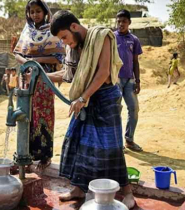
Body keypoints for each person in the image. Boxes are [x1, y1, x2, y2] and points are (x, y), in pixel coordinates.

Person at [46, 10, 136, 208]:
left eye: (64, 37)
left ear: (74, 27)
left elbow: (103, 73)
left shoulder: (100, 37)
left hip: (105, 99)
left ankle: (127, 192)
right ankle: (79, 188)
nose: (64, 42)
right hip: (85, 99)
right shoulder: (74, 47)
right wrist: (39, 74)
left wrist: (82, 97)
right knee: (78, 143)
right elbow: (68, 74)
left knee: (110, 148)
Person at [13, 0, 65, 171]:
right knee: (25, 114)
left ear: (45, 12)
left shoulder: (52, 31)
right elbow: (17, 54)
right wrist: (27, 62)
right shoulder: (27, 31)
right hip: (26, 79)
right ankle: (25, 155)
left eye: (38, 11)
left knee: (43, 116)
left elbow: (58, 57)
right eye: (31, 11)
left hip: (44, 78)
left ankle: (44, 156)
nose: (34, 15)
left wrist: (35, 61)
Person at [115, 9, 143, 152]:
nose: (121, 24)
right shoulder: (111, 38)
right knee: (116, 110)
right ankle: (117, 143)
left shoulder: (134, 39)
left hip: (130, 80)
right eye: (118, 21)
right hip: (116, 80)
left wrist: (138, 80)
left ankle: (129, 140)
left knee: (134, 108)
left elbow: (135, 62)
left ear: (129, 23)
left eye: (124, 21)